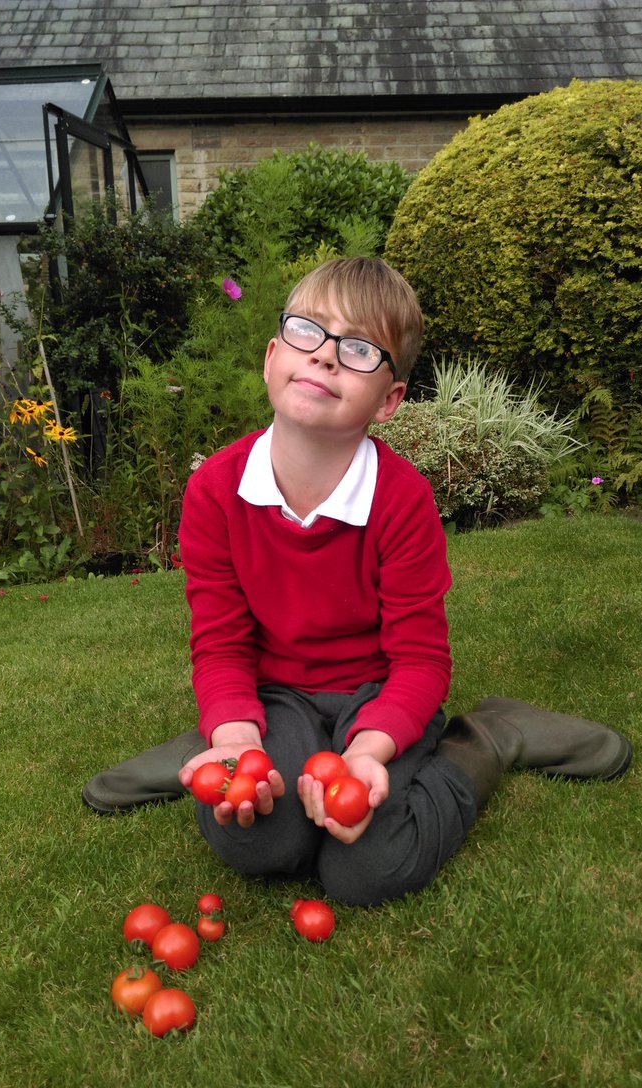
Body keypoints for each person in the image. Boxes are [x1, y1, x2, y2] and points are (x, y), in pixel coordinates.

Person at [82, 257, 633, 907]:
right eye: (306, 331)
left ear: (390, 400)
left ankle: (483, 740)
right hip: (278, 689)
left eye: (359, 348)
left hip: (380, 696)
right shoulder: (214, 491)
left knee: (367, 870)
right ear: (270, 358)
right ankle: (228, 733)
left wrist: (370, 752)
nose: (324, 357)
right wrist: (235, 736)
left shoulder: (402, 500)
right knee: (259, 845)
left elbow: (421, 660)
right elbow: (222, 642)